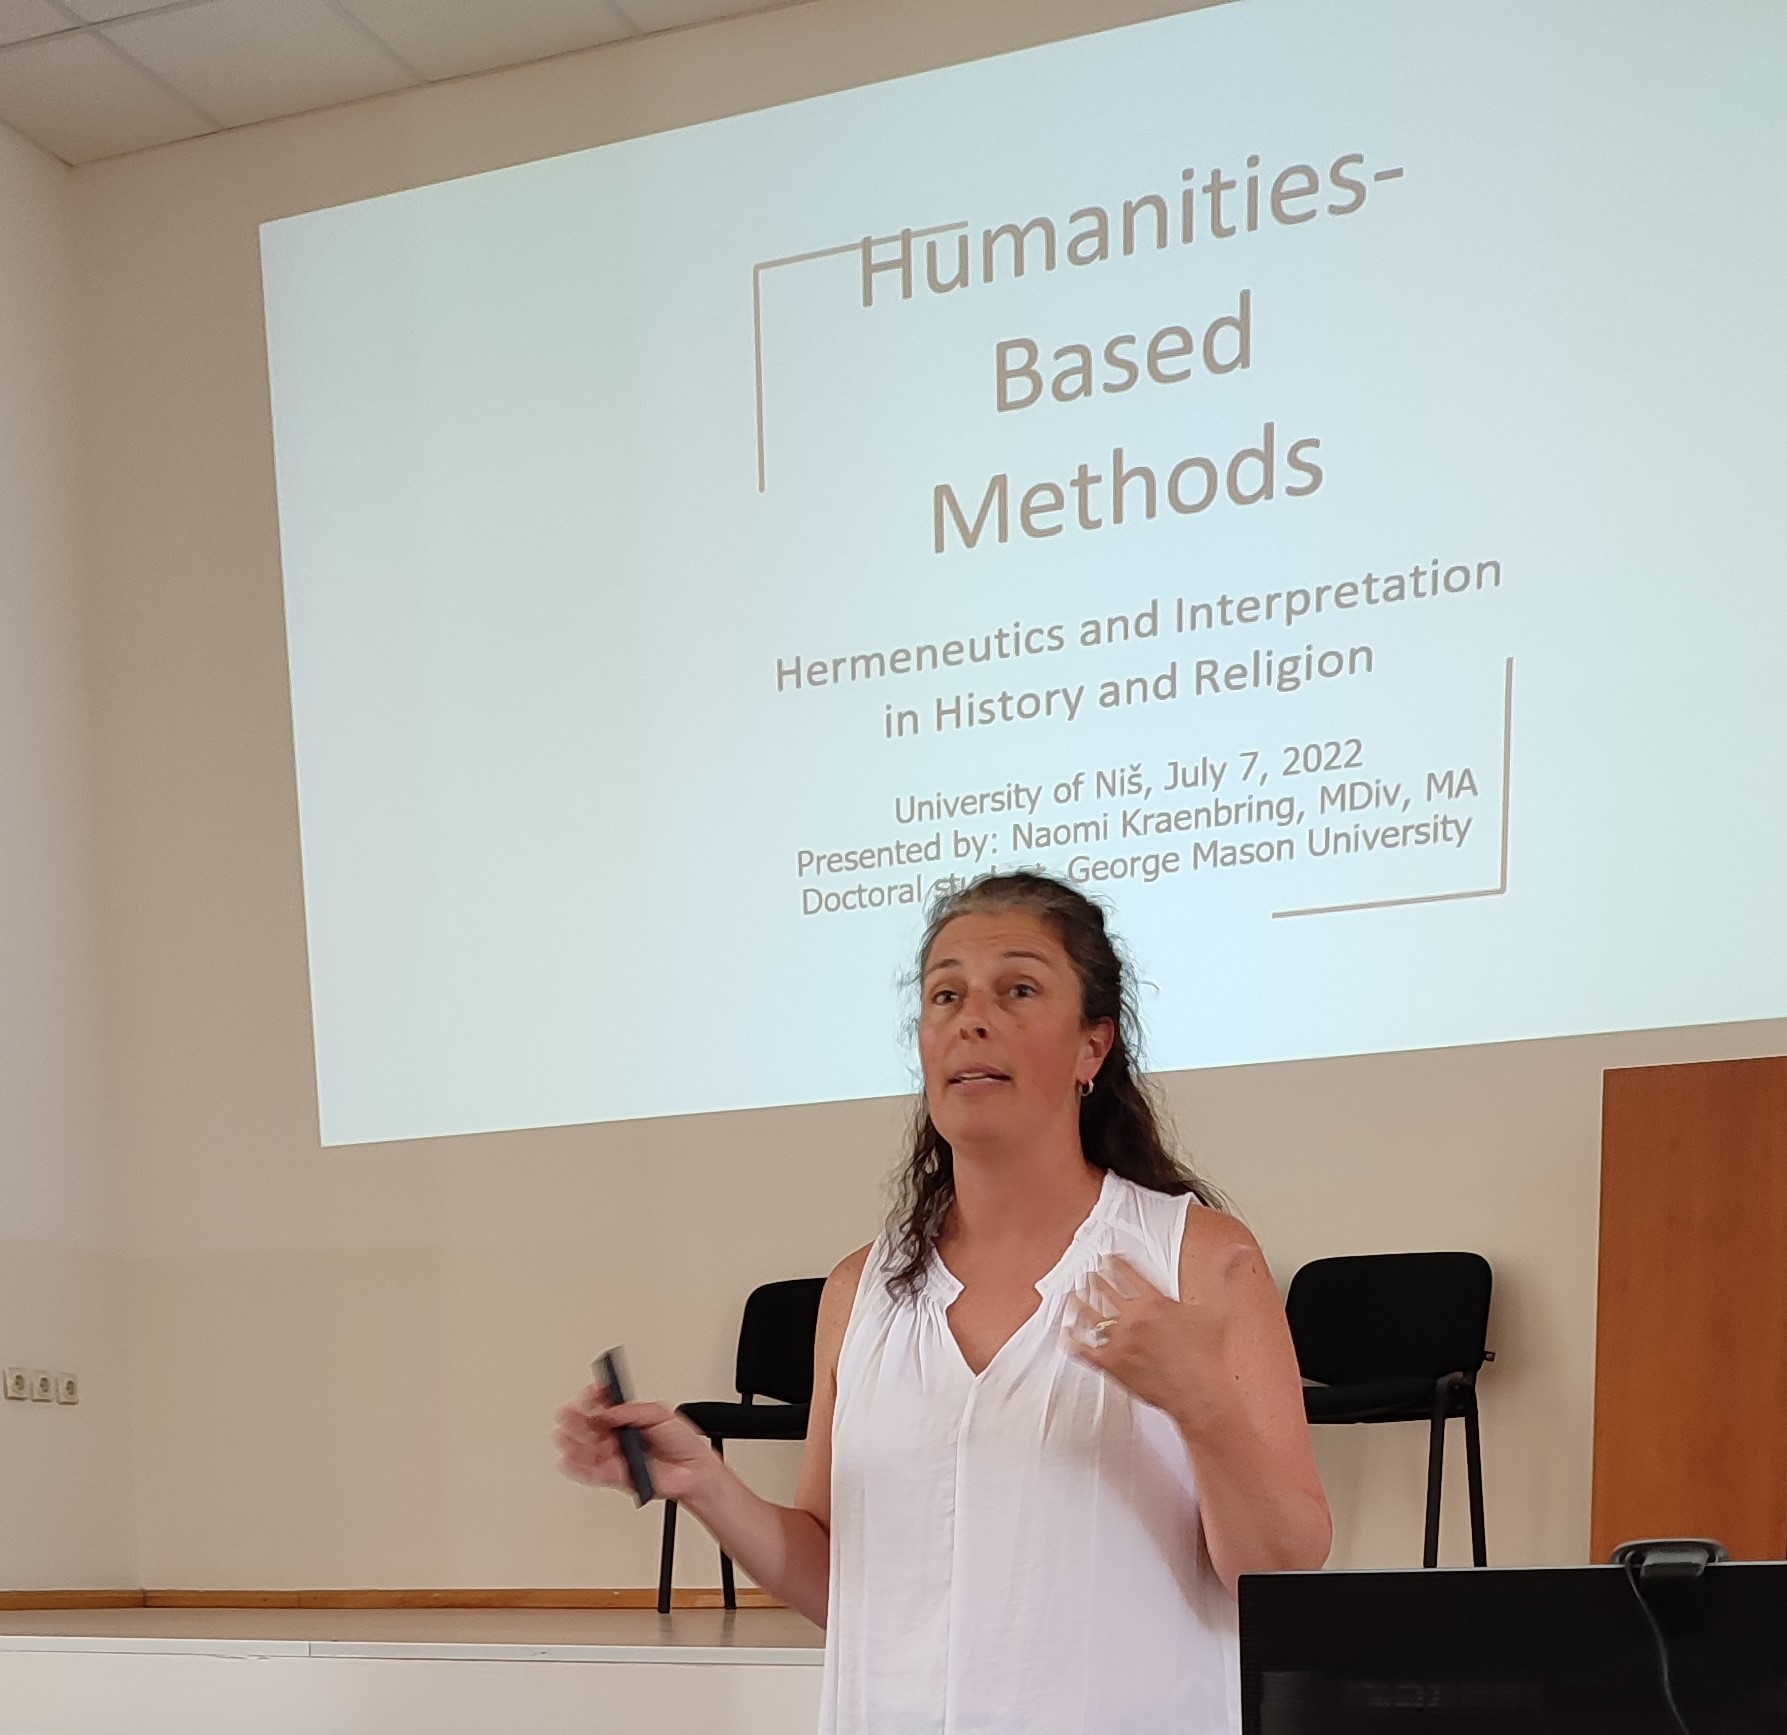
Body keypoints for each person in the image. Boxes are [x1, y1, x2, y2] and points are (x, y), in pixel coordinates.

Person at [555, 870, 1330, 1733]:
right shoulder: (859, 1290)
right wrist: (704, 1481)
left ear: (1092, 1046)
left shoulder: (1199, 1258)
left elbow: (1282, 1575)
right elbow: (844, 1584)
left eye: (1018, 989)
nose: (971, 1018)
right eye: (945, 994)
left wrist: (1201, 1404)